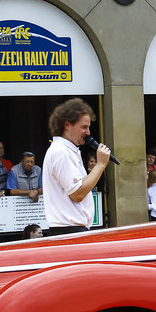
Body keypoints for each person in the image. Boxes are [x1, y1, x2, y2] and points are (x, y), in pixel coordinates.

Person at [43, 98, 111, 235]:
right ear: (67, 125)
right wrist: (100, 164)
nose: (88, 132)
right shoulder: (61, 152)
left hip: (71, 229)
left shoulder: (67, 150)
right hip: (68, 229)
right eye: (84, 127)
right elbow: (77, 194)